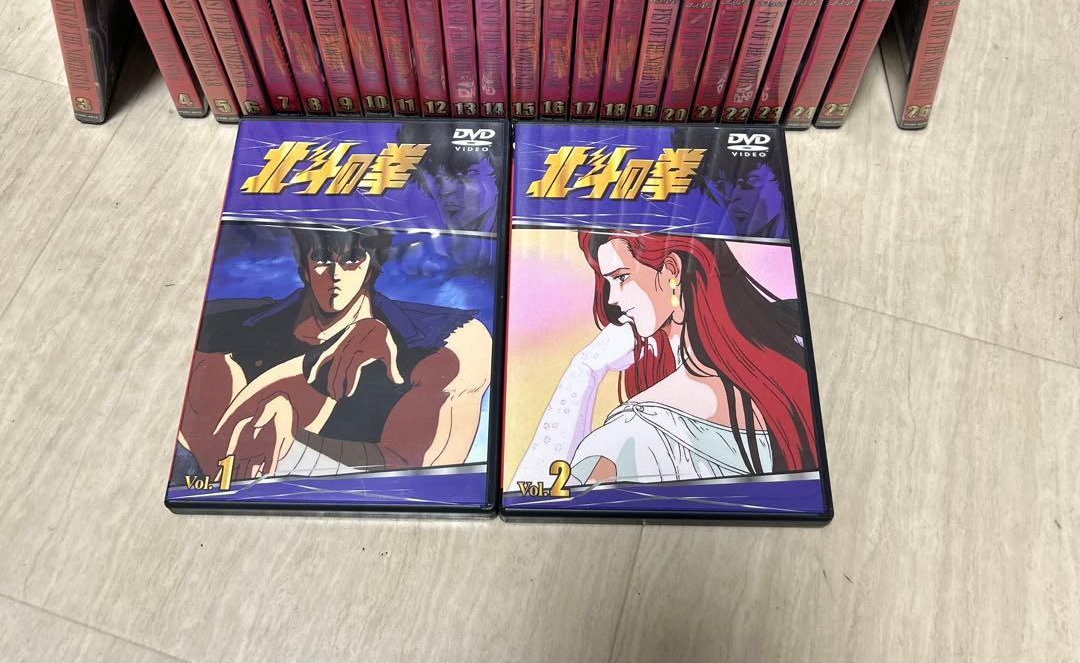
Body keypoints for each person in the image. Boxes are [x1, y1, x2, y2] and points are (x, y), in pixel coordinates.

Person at [177, 225, 491, 482]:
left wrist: (293, 431)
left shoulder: (452, 340)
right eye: (323, 259)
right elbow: (217, 457)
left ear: (371, 266)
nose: (336, 274)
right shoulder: (223, 324)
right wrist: (301, 377)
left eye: (352, 259)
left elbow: (419, 473)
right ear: (304, 266)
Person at [512, 232, 815, 488]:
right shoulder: (789, 347)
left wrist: (585, 369)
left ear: (671, 270)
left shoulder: (631, 435)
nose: (612, 299)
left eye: (621, 277)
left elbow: (536, 498)